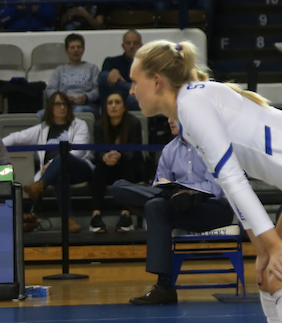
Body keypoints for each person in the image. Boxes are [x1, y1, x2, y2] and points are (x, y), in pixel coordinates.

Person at [128, 41, 282, 323]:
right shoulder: (190, 108)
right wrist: (263, 248)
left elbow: (233, 178)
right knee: (266, 277)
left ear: (156, 81)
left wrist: (273, 246)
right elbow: (229, 186)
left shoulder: (191, 103)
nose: (131, 91)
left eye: (134, 81)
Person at [114, 117, 233, 305]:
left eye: (174, 116)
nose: (169, 120)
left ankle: (164, 287)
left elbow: (217, 189)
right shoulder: (170, 149)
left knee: (156, 204)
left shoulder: (210, 145)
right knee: (128, 192)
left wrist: (186, 190)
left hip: (213, 208)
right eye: (168, 116)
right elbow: (160, 184)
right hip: (178, 206)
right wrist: (172, 192)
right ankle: (165, 287)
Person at [3, 91, 92, 233]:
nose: (62, 107)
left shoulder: (80, 125)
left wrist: (51, 163)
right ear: (51, 107)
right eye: (58, 104)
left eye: (65, 104)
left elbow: (79, 151)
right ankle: (69, 220)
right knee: (60, 175)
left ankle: (39, 186)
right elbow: (15, 137)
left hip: (80, 169)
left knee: (64, 155)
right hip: (57, 172)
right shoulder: (42, 129)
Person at [88, 92, 145, 234]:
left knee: (128, 164)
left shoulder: (134, 123)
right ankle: (96, 215)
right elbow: (97, 151)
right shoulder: (99, 124)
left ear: (124, 106)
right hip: (108, 167)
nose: (113, 106)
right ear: (105, 107)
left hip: (129, 165)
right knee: (99, 168)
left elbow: (134, 151)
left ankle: (126, 214)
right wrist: (105, 157)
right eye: (110, 103)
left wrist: (118, 155)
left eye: (117, 102)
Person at [47, 33, 101, 117]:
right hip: (63, 105)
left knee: (78, 110)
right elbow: (50, 89)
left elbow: (98, 90)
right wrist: (62, 98)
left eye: (79, 47)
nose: (76, 50)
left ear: (83, 49)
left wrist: (86, 97)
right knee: (40, 114)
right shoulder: (60, 70)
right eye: (72, 47)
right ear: (66, 51)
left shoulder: (92, 68)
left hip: (86, 105)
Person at [100, 29, 143, 110]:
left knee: (133, 99)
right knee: (104, 76)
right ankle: (133, 89)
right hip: (117, 97)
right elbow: (103, 80)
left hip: (138, 100)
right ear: (123, 46)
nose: (132, 46)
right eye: (128, 43)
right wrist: (113, 71)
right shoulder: (111, 61)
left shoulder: (148, 64)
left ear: (141, 46)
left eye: (135, 43)